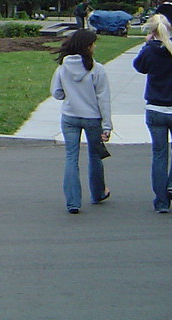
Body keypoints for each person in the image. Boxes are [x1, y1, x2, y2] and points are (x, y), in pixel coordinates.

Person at [50, 28, 111, 213]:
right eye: (93, 43)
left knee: (71, 158)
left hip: (70, 117)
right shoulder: (97, 69)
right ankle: (98, 192)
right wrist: (107, 125)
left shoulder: (63, 67)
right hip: (92, 118)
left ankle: (73, 202)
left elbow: (56, 92)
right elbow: (103, 98)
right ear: (88, 46)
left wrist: (71, 95)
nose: (95, 46)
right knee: (94, 156)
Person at [132, 12, 172, 213]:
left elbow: (139, 67)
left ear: (152, 32)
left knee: (159, 154)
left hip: (155, 109)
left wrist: (147, 45)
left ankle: (161, 201)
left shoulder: (150, 52)